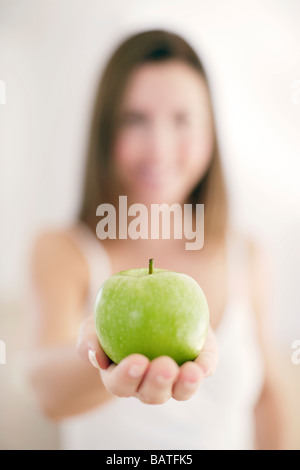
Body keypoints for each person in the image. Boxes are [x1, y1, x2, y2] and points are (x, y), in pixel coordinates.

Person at [28, 29, 287, 450]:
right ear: (105, 132)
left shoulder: (248, 255)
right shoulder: (64, 249)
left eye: (182, 119)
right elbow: (44, 388)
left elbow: (269, 398)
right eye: (135, 119)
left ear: (211, 133)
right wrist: (103, 358)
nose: (159, 147)